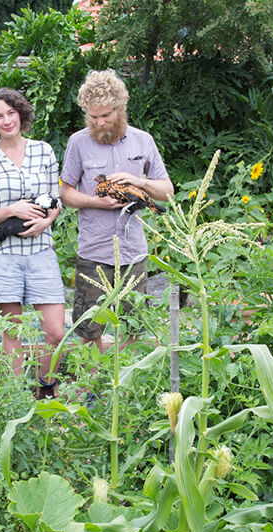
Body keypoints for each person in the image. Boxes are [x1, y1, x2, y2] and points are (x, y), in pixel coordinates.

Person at [60, 69, 173, 350]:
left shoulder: (142, 141)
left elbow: (167, 191)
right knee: (88, 328)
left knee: (134, 326)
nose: (99, 122)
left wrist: (138, 181)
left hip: (133, 251)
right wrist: (98, 202)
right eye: (93, 116)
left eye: (106, 115)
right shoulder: (78, 142)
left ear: (120, 109)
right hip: (94, 251)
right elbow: (65, 193)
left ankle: (125, 379)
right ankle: (94, 384)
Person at [0, 88, 64, 397]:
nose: (6, 120)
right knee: (11, 333)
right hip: (5, 255)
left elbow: (57, 200)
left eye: (11, 113)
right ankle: (15, 399)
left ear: (21, 114)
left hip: (41, 252)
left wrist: (47, 221)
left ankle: (46, 389)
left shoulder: (44, 150)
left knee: (54, 332)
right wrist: (12, 210)